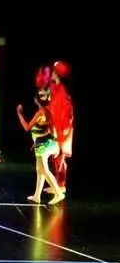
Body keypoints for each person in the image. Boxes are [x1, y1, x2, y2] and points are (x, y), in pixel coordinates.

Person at [16, 93, 66, 205]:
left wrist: (19, 114)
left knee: (44, 170)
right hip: (43, 143)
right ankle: (37, 196)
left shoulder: (40, 113)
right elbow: (49, 130)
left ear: (37, 100)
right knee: (39, 169)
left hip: (43, 145)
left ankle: (58, 193)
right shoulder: (48, 111)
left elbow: (27, 127)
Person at [49, 60, 73, 193]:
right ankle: (56, 184)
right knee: (55, 158)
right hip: (55, 128)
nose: (52, 73)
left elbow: (67, 113)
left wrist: (63, 131)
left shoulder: (63, 93)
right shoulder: (55, 89)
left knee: (60, 158)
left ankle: (61, 185)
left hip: (62, 129)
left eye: (54, 71)